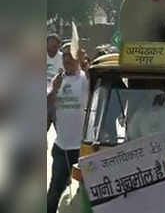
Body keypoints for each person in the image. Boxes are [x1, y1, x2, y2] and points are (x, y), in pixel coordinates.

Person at [47, 43, 89, 213]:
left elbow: (95, 84)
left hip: (81, 149)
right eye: (63, 56)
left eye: (70, 56)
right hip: (61, 147)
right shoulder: (57, 80)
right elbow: (47, 106)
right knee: (55, 190)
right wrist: (54, 90)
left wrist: (86, 63)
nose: (66, 60)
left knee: (85, 192)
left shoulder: (85, 79)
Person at [47, 33, 63, 131]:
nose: (54, 47)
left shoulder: (62, 58)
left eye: (56, 45)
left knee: (61, 131)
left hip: (57, 101)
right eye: (52, 44)